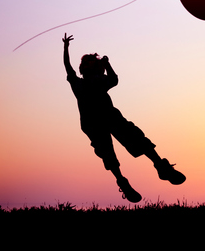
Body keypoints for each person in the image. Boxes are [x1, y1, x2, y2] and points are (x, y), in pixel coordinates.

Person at [62, 34, 185, 202]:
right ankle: (135, 176)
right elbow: (111, 78)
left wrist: (66, 48)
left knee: (126, 144)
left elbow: (70, 68)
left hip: (101, 120)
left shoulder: (82, 83)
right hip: (99, 122)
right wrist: (106, 64)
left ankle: (157, 168)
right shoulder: (90, 82)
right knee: (116, 149)